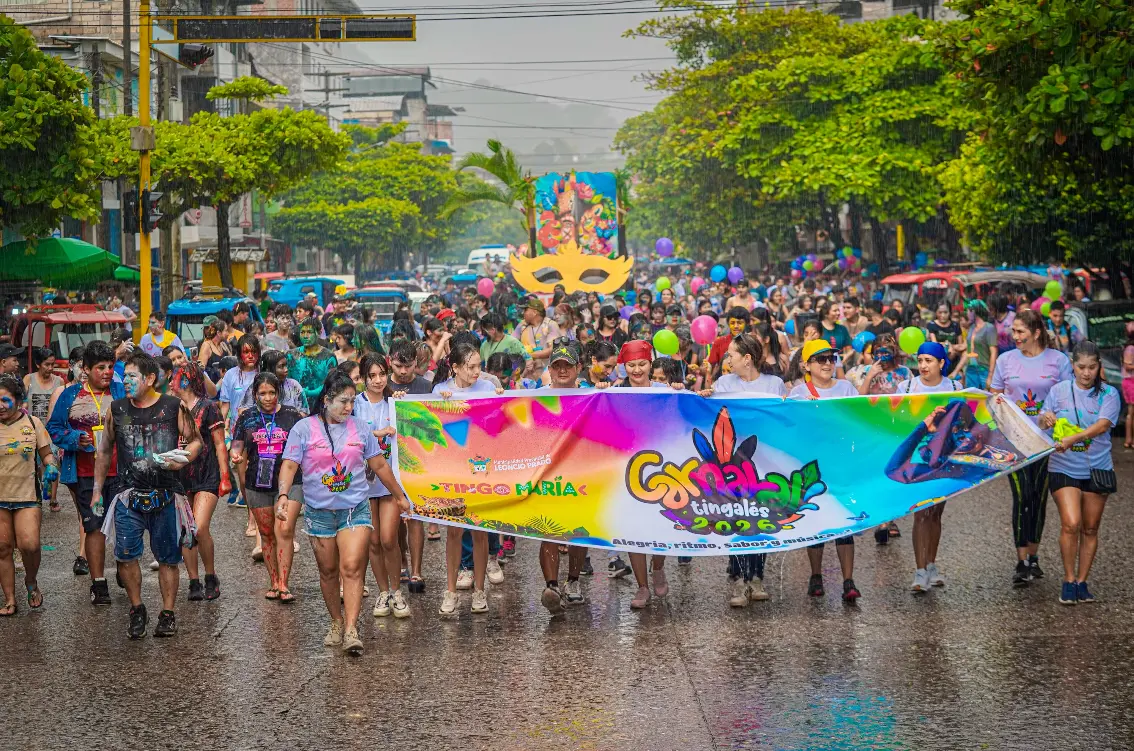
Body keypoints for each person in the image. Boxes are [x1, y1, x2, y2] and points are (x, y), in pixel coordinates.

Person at [276, 371, 410, 655]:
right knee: (328, 571)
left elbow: (380, 466)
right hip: (319, 510)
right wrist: (284, 495)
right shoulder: (304, 428)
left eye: (351, 401)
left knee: (351, 567)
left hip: (355, 508)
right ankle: (335, 622)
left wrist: (399, 496)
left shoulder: (361, 428)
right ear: (326, 400)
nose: (349, 407)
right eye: (342, 402)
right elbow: (289, 464)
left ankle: (351, 628)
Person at [93, 352, 202, 639]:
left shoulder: (173, 406)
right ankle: (137, 608)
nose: (125, 381)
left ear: (150, 378)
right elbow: (104, 451)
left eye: (132, 376)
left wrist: (183, 460)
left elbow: (196, 442)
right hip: (127, 494)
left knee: (168, 558)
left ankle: (167, 613)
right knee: (125, 556)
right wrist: (96, 491)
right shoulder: (116, 409)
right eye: (124, 376)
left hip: (167, 494)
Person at [990, 308, 1073, 587]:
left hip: (1047, 443)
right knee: (1021, 495)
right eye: (1013, 331)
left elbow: (1067, 398)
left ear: (1037, 332)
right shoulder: (1005, 360)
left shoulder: (1058, 360)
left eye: (1020, 332)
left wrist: (1055, 416)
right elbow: (995, 396)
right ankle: (1021, 559)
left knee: (1038, 497)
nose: (1014, 336)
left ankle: (1033, 557)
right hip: (1015, 441)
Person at [706, 334, 785, 607]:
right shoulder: (723, 384)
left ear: (747, 358)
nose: (727, 360)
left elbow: (786, 416)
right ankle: (739, 580)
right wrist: (703, 397)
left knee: (761, 516)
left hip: (764, 461)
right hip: (732, 467)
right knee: (737, 517)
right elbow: (711, 415)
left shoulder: (774, 384)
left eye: (731, 355)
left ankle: (758, 577)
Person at [1038, 341, 1120, 605]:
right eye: (1081, 367)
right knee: (1071, 523)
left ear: (1099, 367)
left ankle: (1083, 581)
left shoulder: (1109, 394)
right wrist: (1046, 417)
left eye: (1092, 367)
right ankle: (1069, 579)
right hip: (1063, 466)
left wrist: (1074, 438)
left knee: (1091, 527)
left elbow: (1102, 426)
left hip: (1097, 467)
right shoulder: (1058, 390)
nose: (1086, 373)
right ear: (1072, 365)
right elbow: (1042, 419)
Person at [46, 341, 125, 605]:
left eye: (111, 367)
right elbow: (54, 428)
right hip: (85, 474)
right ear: (86, 369)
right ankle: (99, 583)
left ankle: (125, 569)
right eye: (101, 367)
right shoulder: (70, 395)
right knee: (93, 527)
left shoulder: (122, 391)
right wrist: (73, 438)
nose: (107, 372)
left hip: (120, 472)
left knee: (124, 525)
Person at [432, 343, 504, 617]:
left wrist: (501, 400)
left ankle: (479, 590)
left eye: (479, 366)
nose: (477, 372)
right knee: (453, 531)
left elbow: (499, 423)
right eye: (471, 367)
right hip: (452, 471)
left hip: (481, 470)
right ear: (456, 367)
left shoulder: (487, 389)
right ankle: (450, 591)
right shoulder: (441, 391)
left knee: (480, 531)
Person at [788, 340, 861, 603]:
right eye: (821, 359)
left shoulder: (847, 388)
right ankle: (816, 575)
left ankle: (848, 581)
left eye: (831, 358)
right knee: (817, 523)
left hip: (841, 468)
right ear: (806, 365)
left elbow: (859, 422)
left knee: (845, 524)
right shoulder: (798, 394)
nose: (828, 363)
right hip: (812, 471)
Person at [231, 372, 305, 603]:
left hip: (291, 482)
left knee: (284, 530)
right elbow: (237, 444)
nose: (268, 397)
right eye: (262, 393)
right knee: (266, 534)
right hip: (257, 482)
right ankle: (274, 582)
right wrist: (235, 455)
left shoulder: (292, 416)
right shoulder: (247, 418)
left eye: (272, 392)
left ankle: (284, 583)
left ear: (278, 392)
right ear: (254, 394)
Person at [896, 342, 962, 592]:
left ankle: (932, 564)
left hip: (945, 460)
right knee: (921, 512)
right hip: (917, 460)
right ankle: (920, 569)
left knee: (935, 513)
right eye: (920, 360)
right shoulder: (908, 387)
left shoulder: (955, 387)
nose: (923, 366)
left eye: (929, 361)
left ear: (942, 363)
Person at [354, 354, 411, 620]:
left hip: (390, 480)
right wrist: (375, 434)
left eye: (381, 374)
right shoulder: (354, 405)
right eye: (371, 375)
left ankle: (397, 592)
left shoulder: (396, 402)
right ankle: (382, 591)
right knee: (373, 541)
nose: (378, 380)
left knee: (389, 538)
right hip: (362, 484)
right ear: (363, 378)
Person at [536, 345, 591, 614]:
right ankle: (552, 586)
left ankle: (573, 582)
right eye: (556, 365)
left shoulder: (592, 396)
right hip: (546, 476)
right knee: (548, 530)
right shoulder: (535, 397)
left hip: (582, 474)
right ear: (549, 369)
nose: (561, 370)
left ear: (578, 369)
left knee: (578, 531)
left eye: (567, 365)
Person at [170, 362, 229, 602]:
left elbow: (218, 444)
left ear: (186, 380)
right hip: (181, 476)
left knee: (200, 527)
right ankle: (193, 580)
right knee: (186, 530)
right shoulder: (173, 407)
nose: (172, 382)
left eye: (176, 377)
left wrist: (225, 476)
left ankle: (210, 576)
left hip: (207, 474)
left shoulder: (209, 408)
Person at [0, 375, 58, 615]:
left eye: (5, 399)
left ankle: (31, 581)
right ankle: (10, 599)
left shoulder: (32, 423)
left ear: (18, 400)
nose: (0, 405)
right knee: (2, 547)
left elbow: (46, 454)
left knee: (30, 545)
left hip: (26, 496)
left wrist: (51, 466)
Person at [288, 318, 337, 407]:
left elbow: (330, 384)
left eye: (309, 332)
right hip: (295, 405)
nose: (305, 336)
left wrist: (309, 393)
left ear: (318, 333)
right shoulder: (291, 355)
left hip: (320, 406)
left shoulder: (329, 356)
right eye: (302, 332)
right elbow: (286, 381)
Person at [514, 297, 562, 374]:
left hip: (548, 372)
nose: (523, 313)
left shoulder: (550, 325)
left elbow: (552, 349)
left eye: (526, 310)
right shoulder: (522, 325)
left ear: (534, 312)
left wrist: (528, 355)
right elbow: (512, 343)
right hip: (526, 373)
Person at [1124, 322, 1134, 450]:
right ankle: (1129, 439)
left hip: (1130, 381)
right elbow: (1127, 365)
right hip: (1130, 382)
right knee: (1131, 413)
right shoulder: (1130, 348)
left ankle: (1129, 439)